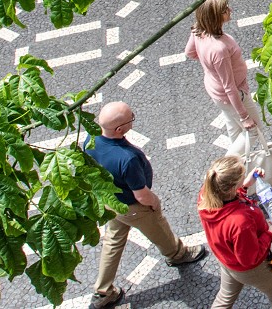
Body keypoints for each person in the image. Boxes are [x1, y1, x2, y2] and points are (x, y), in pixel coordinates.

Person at [84, 102, 209, 309]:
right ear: (119, 129)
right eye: (130, 118)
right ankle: (177, 255)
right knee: (159, 230)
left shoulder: (90, 139)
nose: (133, 118)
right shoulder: (127, 158)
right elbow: (141, 195)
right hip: (134, 207)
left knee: (113, 242)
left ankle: (103, 291)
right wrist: (154, 203)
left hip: (110, 201)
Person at [186, 0, 272, 169]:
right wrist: (245, 116)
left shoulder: (198, 30)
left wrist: (209, 67)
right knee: (253, 130)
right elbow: (230, 87)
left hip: (216, 93)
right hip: (233, 96)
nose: (230, 10)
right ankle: (224, 170)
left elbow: (190, 53)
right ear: (216, 16)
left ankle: (238, 170)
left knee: (234, 130)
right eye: (225, 10)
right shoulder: (219, 49)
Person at [198, 155, 272, 309]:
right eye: (242, 176)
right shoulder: (240, 222)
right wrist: (271, 230)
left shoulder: (206, 194)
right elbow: (250, 258)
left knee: (224, 298)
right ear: (231, 187)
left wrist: (244, 186)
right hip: (254, 270)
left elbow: (227, 200)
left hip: (227, 260)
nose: (245, 175)